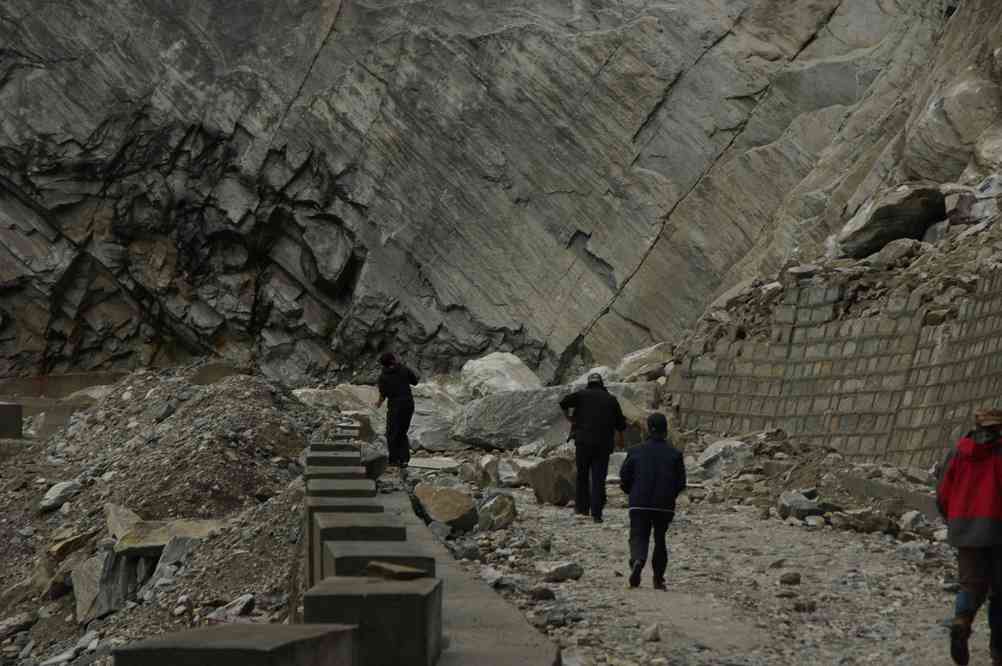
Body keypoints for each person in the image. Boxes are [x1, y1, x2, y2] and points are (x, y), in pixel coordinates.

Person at [937, 408, 1002, 666]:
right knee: (999, 592)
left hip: (964, 530)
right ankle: (998, 652)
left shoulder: (958, 452)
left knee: (970, 585)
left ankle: (961, 622)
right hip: (998, 530)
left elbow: (943, 491)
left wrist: (952, 518)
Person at [619, 412, 686, 590]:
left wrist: (630, 491)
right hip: (664, 505)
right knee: (660, 539)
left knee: (638, 534)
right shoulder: (675, 454)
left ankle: (638, 560)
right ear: (666, 430)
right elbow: (681, 482)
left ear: (648, 429)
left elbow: (624, 477)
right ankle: (658, 578)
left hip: (639, 501)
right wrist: (670, 495)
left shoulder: (635, 451)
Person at [559, 372, 626, 523]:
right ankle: (597, 513)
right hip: (603, 445)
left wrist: (568, 418)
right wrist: (620, 440)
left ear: (589, 383)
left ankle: (582, 508)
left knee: (582, 475)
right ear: (602, 384)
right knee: (598, 478)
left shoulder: (581, 395)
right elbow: (621, 424)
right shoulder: (611, 399)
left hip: (583, 443)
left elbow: (563, 403)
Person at [375, 352, 420, 467]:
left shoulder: (383, 376)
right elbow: (415, 381)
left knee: (391, 432)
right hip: (408, 404)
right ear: (393, 360)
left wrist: (378, 404)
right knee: (402, 432)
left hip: (395, 406)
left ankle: (394, 459)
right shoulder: (403, 369)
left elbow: (383, 394)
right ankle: (404, 460)